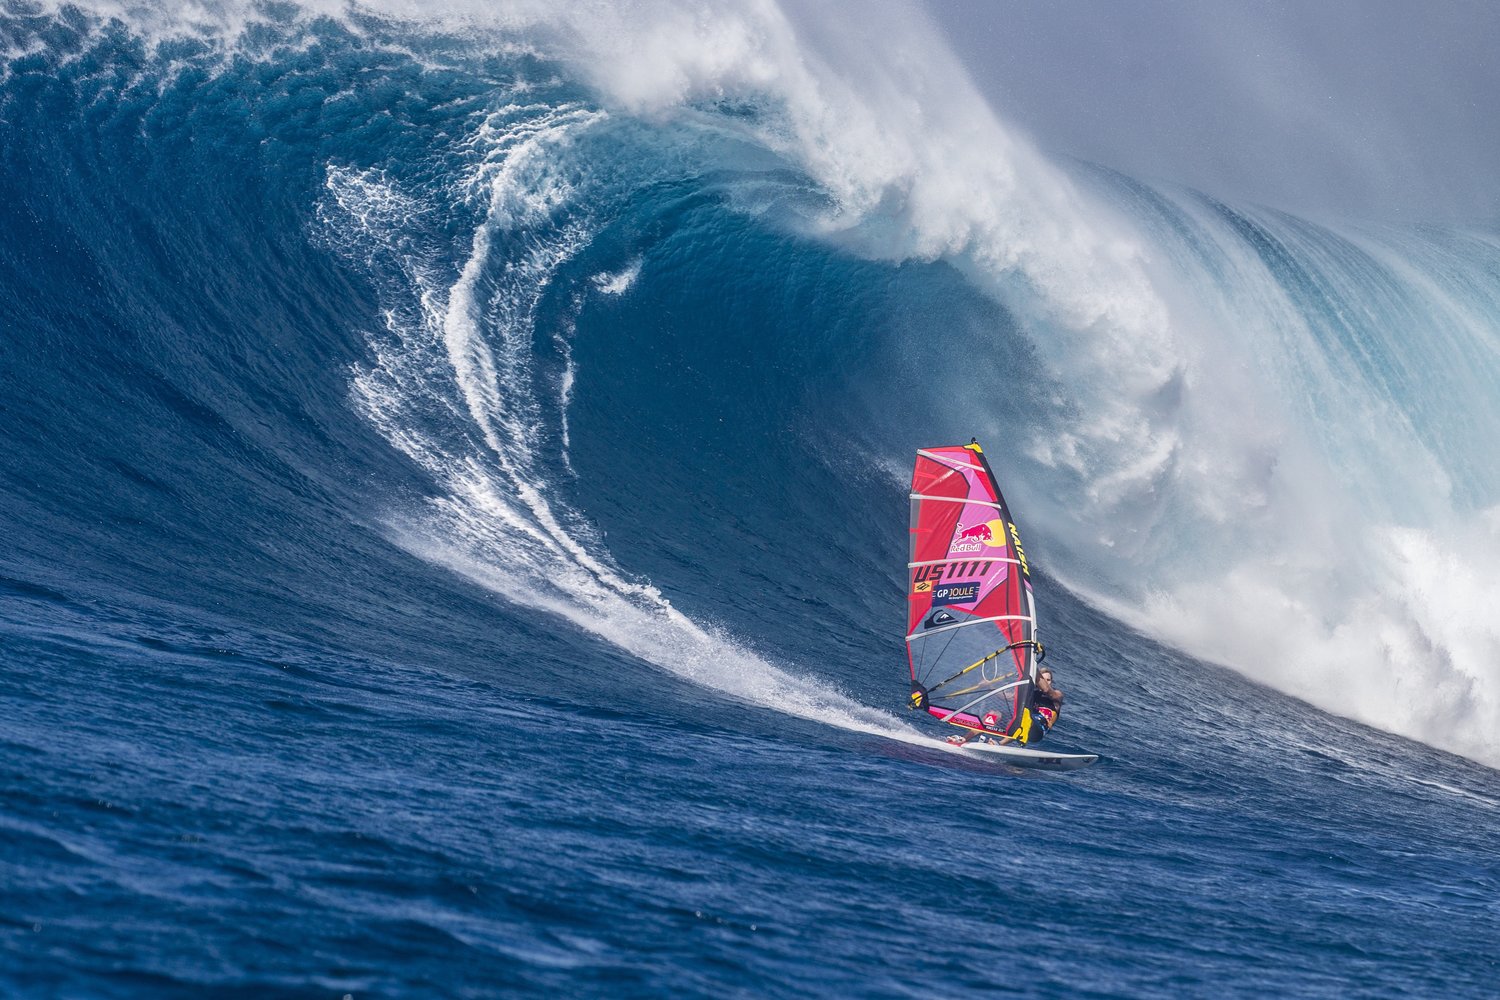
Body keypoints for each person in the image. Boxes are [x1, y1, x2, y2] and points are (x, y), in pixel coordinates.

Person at [944, 668, 1064, 746]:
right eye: (1044, 679)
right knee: (994, 714)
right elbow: (1007, 697)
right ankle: (964, 739)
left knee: (1024, 719)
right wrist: (989, 686)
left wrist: (1033, 667)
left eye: (1049, 680)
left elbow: (1047, 690)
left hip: (1038, 730)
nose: (1047, 682)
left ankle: (999, 744)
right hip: (1023, 722)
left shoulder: (1057, 695)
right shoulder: (1031, 692)